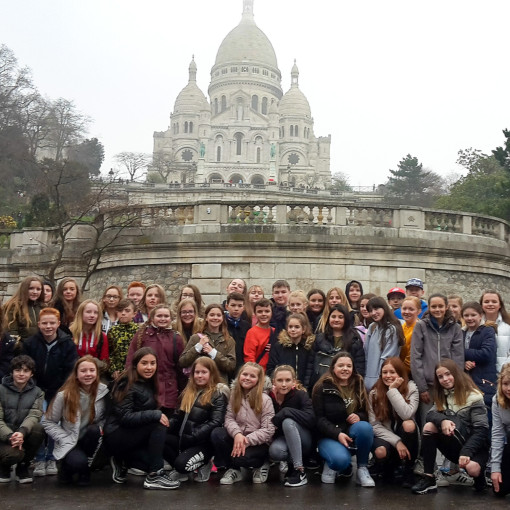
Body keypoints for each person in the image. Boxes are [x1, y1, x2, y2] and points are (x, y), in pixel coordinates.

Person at [104, 347, 179, 490]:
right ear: (135, 364)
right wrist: (155, 414)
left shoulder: (148, 382)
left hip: (133, 434)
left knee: (155, 457)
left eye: (152, 363)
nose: (149, 367)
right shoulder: (126, 384)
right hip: (116, 435)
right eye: (144, 363)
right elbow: (125, 417)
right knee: (158, 424)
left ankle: (123, 461)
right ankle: (154, 476)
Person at [411, 359, 489, 494]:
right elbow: (430, 415)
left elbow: (482, 431)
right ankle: (429, 478)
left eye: (448, 374)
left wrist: (466, 452)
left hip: (474, 449)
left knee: (473, 469)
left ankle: (480, 477)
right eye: (440, 377)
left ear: (456, 373)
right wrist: (443, 421)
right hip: (454, 446)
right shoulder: (443, 395)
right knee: (429, 426)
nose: (445, 379)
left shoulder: (474, 396)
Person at [23, 308, 78, 476]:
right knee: (39, 422)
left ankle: (52, 457)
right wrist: (33, 388)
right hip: (36, 389)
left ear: (58, 324)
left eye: (52, 323)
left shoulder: (67, 343)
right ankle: (39, 459)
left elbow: (70, 370)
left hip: (58, 389)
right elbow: (26, 366)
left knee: (55, 424)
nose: (48, 326)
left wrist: (61, 391)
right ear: (39, 324)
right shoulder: (30, 343)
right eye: (45, 323)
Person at [41, 355, 109, 486]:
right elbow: (48, 422)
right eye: (83, 371)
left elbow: (104, 418)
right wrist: (63, 438)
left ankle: (85, 468)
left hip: (89, 439)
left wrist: (101, 431)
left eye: (91, 370)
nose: (88, 374)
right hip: (69, 439)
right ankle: (68, 467)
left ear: (97, 372)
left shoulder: (104, 392)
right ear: (76, 374)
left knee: (94, 430)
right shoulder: (64, 395)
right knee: (77, 462)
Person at [312, 351, 375, 487]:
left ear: (353, 368)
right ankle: (331, 462)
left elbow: (366, 413)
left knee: (365, 427)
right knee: (340, 461)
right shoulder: (322, 387)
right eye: (341, 365)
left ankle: (362, 468)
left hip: (350, 432)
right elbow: (318, 419)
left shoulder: (358, 384)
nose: (345, 369)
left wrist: (359, 416)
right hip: (328, 435)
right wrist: (337, 434)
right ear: (333, 368)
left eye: (348, 366)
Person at [165, 357, 229, 483]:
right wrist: (166, 425)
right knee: (159, 436)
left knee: (181, 465)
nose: (200, 376)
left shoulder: (218, 394)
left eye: (204, 372)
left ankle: (205, 463)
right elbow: (178, 415)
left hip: (201, 443)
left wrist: (194, 436)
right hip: (183, 439)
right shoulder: (188, 391)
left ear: (212, 373)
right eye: (197, 372)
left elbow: (216, 421)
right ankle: (182, 471)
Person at [210, 362, 275, 484]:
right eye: (245, 374)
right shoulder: (234, 395)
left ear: (258, 380)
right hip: (239, 438)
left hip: (258, 442)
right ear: (239, 376)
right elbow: (229, 418)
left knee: (241, 458)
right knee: (217, 434)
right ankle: (234, 470)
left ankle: (262, 464)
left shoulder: (265, 399)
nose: (247, 378)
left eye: (252, 376)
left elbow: (268, 429)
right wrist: (237, 434)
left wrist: (247, 440)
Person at [410, 294, 464, 426]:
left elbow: (458, 356)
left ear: (446, 307)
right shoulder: (421, 326)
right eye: (434, 306)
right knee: (427, 422)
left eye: (440, 306)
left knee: (449, 421)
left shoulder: (455, 328)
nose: (437, 309)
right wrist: (422, 387)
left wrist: (455, 382)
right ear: (429, 308)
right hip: (428, 385)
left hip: (448, 384)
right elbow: (416, 356)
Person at [126, 304, 185, 416]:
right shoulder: (142, 335)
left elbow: (180, 366)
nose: (163, 319)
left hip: (169, 388)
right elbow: (131, 359)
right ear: (152, 318)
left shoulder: (176, 338)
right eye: (159, 316)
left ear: (171, 319)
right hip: (146, 385)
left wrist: (182, 389)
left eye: (166, 316)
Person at [369, 357, 419, 487]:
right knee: (380, 451)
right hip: (386, 437)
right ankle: (387, 467)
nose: (388, 376)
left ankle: (408, 469)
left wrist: (393, 390)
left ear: (400, 374)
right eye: (385, 372)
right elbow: (374, 425)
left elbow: (406, 414)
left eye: (392, 372)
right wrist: (397, 442)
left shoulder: (411, 388)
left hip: (406, 436)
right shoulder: (374, 393)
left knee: (409, 424)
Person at [0, 355, 45, 484]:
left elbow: (35, 414)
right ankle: (4, 466)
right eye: (18, 370)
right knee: (14, 454)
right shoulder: (0, 390)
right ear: (11, 372)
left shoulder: (38, 392)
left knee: (39, 429)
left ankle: (23, 466)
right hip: (4, 436)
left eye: (26, 371)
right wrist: (10, 436)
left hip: (22, 434)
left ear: (31, 374)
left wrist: (21, 432)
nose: (21, 374)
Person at [269, 365, 315, 487]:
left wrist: (286, 412)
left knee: (288, 422)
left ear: (294, 381)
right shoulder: (269, 397)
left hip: (303, 439)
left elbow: (311, 418)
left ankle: (299, 470)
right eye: (280, 380)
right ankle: (290, 465)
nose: (284, 384)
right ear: (274, 382)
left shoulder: (301, 395)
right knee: (275, 451)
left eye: (288, 380)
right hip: (283, 439)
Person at [311, 304, 365, 389]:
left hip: (347, 385)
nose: (336, 320)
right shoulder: (320, 338)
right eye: (333, 316)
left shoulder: (354, 339)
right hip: (323, 383)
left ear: (346, 319)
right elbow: (311, 364)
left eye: (340, 317)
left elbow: (359, 366)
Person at [179, 304, 236, 383]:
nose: (215, 318)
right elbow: (183, 362)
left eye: (218, 315)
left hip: (219, 385)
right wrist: (198, 347)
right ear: (206, 318)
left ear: (222, 318)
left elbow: (231, 366)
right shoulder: (196, 338)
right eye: (212, 315)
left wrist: (213, 353)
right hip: (197, 384)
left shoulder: (229, 340)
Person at [462, 301, 497, 415]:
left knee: (485, 414)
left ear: (480, 315)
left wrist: (462, 353)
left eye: (473, 315)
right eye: (466, 315)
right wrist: (463, 362)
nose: (470, 318)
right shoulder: (461, 332)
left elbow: (486, 353)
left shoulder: (487, 331)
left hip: (484, 379)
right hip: (466, 380)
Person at [364, 297, 404, 390]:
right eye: (370, 310)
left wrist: (380, 380)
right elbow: (366, 353)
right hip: (368, 379)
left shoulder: (392, 329)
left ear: (384, 308)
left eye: (376, 309)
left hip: (383, 380)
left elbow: (386, 357)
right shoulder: (372, 327)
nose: (373, 313)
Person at [267, 313, 315, 388]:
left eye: (297, 327)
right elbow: (271, 367)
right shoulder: (279, 346)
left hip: (304, 388)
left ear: (303, 329)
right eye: (290, 327)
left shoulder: (309, 347)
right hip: (283, 387)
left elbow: (310, 370)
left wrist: (305, 386)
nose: (293, 330)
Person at [3, 276, 44, 341]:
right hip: (22, 349)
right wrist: (22, 347)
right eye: (31, 288)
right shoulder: (14, 307)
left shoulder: (43, 307)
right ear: (24, 289)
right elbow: (11, 332)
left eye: (38, 289)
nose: (35, 292)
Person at [490, 363, 510, 497]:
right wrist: (495, 469)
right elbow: (497, 434)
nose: (509, 388)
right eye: (506, 383)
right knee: (499, 490)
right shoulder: (497, 400)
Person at [107, 299, 139, 380]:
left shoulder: (139, 331)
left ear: (134, 314)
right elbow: (109, 353)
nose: (123, 313)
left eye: (127, 311)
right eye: (120, 311)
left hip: (135, 372)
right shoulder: (112, 331)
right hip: (117, 374)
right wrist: (113, 369)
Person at [480, 289, 510, 372]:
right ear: (481, 305)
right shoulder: (476, 325)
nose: (490, 304)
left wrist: (506, 366)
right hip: (482, 373)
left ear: (500, 305)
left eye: (494, 301)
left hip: (504, 373)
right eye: (486, 302)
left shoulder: (508, 325)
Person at [244, 298, 276, 370]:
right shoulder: (252, 332)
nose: (263, 314)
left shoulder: (275, 331)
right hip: (259, 372)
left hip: (272, 371)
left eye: (267, 311)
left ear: (272, 313)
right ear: (255, 314)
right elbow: (249, 356)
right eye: (260, 312)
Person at [224, 292, 251, 374]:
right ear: (227, 306)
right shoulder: (222, 324)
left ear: (243, 308)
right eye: (233, 305)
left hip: (241, 367)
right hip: (225, 365)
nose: (236, 309)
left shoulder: (246, 326)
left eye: (239, 306)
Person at [399, 296, 421, 372]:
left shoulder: (419, 329)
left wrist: (401, 372)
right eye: (404, 308)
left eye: (411, 309)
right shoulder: (402, 327)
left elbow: (411, 357)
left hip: (410, 372)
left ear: (418, 311)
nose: (407, 312)